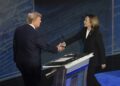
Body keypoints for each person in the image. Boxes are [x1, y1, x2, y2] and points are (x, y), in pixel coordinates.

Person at [13, 12, 65, 86]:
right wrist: (57, 48)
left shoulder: (18, 30)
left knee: (27, 82)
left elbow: (15, 46)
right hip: (32, 66)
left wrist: (16, 60)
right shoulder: (34, 33)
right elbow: (45, 46)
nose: (41, 21)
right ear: (34, 20)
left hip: (20, 63)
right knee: (35, 83)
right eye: (40, 19)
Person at [65, 14, 106, 86]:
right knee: (90, 77)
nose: (84, 21)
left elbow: (101, 48)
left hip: (94, 59)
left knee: (89, 78)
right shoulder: (84, 30)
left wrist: (103, 62)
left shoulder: (97, 33)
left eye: (85, 20)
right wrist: (65, 43)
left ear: (91, 22)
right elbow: (74, 38)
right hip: (86, 59)